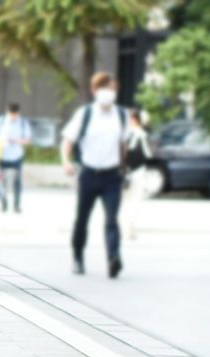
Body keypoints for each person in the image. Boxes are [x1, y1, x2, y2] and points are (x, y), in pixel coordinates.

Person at [61, 71, 132, 278]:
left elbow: (124, 143)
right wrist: (66, 161)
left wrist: (123, 166)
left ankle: (113, 258)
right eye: (104, 89)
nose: (108, 93)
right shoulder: (85, 114)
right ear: (94, 90)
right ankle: (77, 257)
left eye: (112, 89)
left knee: (112, 219)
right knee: (82, 219)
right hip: (89, 174)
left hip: (112, 176)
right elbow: (68, 141)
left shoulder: (121, 115)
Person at [120, 107, 154, 241]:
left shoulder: (125, 133)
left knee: (124, 202)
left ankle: (124, 228)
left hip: (125, 172)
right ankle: (128, 229)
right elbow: (148, 155)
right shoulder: (141, 134)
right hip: (137, 171)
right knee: (132, 202)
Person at [0, 102, 31, 212]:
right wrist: (2, 139)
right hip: (2, 154)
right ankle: (3, 204)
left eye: (14, 114)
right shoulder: (1, 121)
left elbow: (27, 140)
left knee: (17, 181)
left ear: (18, 113)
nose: (12, 116)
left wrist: (17, 141)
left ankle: (16, 205)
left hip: (17, 155)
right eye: (10, 113)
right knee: (2, 181)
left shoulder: (23, 123)